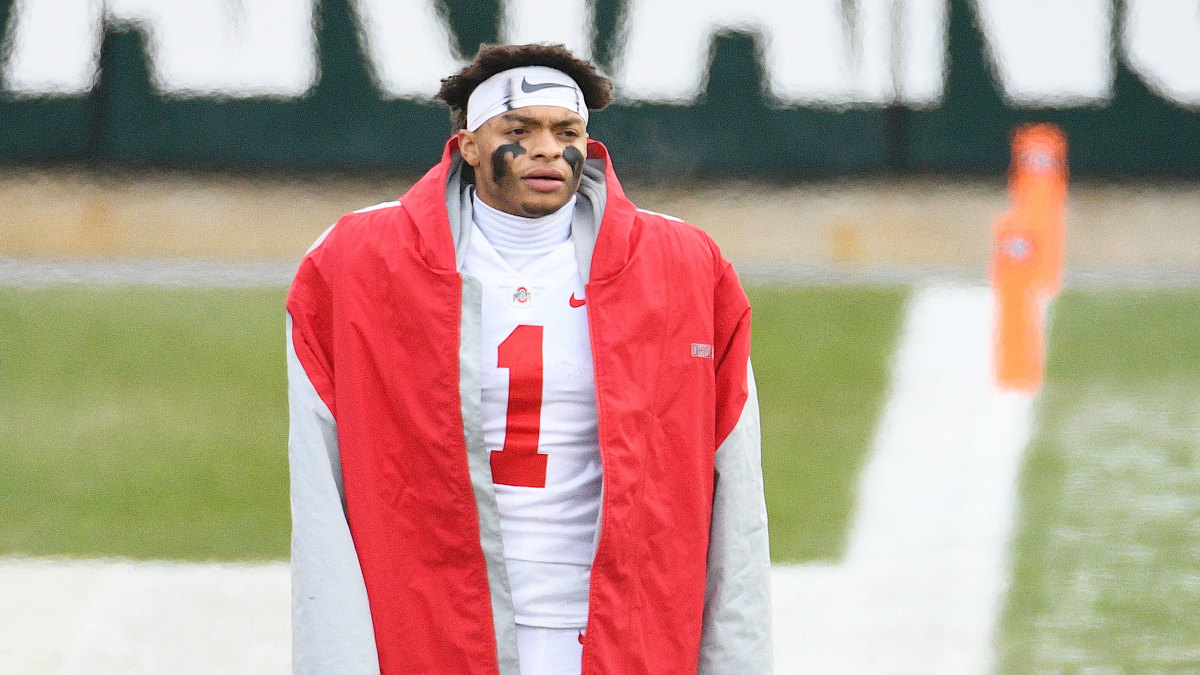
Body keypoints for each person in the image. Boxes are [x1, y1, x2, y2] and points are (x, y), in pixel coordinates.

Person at [286, 43, 771, 674]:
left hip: (621, 629)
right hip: (430, 625)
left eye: (566, 131)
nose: (546, 148)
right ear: (468, 144)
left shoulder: (682, 264)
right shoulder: (359, 259)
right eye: (520, 130)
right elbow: (321, 487)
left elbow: (736, 490)